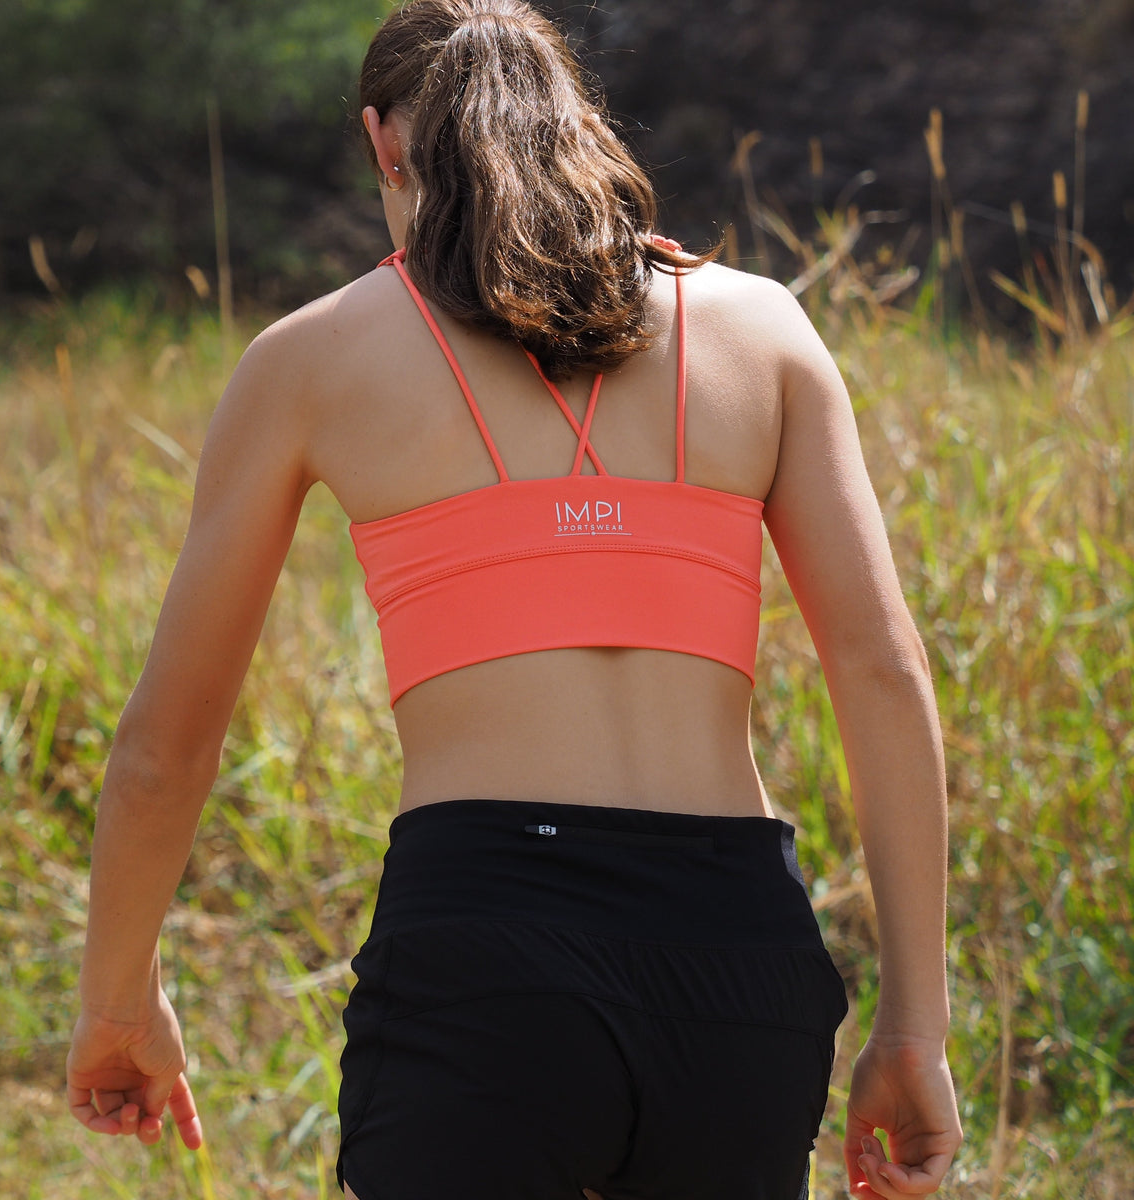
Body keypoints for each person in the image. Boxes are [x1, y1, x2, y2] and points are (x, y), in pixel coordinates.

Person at [66, 1, 962, 1197]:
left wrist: (121, 998)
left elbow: (165, 749)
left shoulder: (310, 359)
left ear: (387, 143)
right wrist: (916, 1025)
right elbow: (885, 675)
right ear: (574, 122)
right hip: (737, 948)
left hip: (486, 939)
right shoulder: (765, 331)